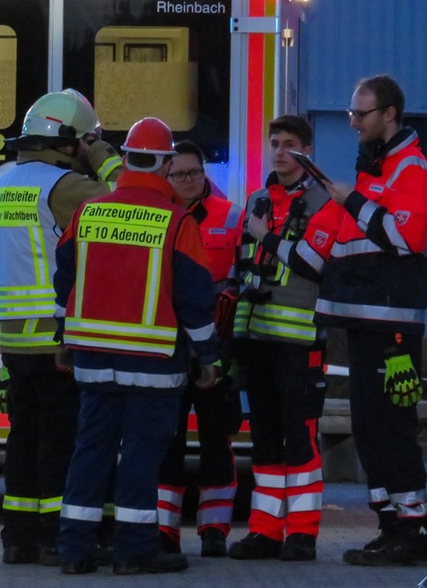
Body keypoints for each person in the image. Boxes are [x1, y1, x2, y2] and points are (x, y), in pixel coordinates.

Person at [54, 117, 220, 575]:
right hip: (152, 362)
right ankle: (133, 551)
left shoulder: (88, 214)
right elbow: (194, 301)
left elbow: (64, 280)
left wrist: (63, 340)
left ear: (125, 159)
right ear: (166, 164)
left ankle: (74, 549)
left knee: (90, 452)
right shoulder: (177, 221)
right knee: (141, 459)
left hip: (92, 360)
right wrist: (209, 359)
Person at [0, 89, 122, 566]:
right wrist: (107, 158)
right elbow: (135, 204)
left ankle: (18, 539)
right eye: (87, 142)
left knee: (23, 441)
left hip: (14, 340)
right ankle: (56, 537)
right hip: (56, 341)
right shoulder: (64, 187)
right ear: (72, 143)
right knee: (61, 441)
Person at [315, 74, 427, 566]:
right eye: (350, 114)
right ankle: (393, 528)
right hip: (368, 320)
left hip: (392, 326)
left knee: (390, 428)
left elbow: (403, 238)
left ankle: (413, 534)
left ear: (388, 114)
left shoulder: (409, 167)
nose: (353, 124)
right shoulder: (377, 168)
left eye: (360, 115)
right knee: (369, 427)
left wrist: (351, 200)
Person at [228, 115, 340, 562]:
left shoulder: (324, 202)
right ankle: (265, 531)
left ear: (307, 151)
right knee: (267, 440)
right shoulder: (257, 199)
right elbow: (242, 264)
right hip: (258, 341)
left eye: (289, 144)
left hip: (301, 344)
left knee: (301, 438)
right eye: (274, 143)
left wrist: (268, 238)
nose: (279, 151)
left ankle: (302, 534)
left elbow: (314, 263)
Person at [156, 140, 244, 558]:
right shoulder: (157, 218)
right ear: (166, 175)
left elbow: (245, 278)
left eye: (194, 172)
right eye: (179, 174)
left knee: (217, 442)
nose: (188, 181)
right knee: (165, 443)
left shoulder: (232, 217)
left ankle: (214, 531)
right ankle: (164, 532)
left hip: (215, 350)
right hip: (166, 350)